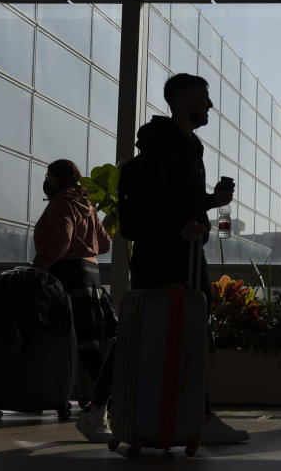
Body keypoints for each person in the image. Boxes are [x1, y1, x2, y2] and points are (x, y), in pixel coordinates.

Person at [120, 73, 248, 444]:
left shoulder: (187, 146)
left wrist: (212, 202)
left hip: (179, 249)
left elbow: (178, 198)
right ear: (183, 97)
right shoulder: (166, 144)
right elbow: (158, 195)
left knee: (160, 325)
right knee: (174, 326)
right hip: (168, 253)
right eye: (204, 97)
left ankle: (195, 412)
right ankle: (198, 414)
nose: (210, 105)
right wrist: (181, 226)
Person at [33, 159, 115, 442]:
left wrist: (38, 266)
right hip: (92, 276)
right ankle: (108, 399)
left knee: (79, 345)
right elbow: (105, 244)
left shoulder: (60, 204)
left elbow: (61, 242)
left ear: (58, 178)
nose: (47, 181)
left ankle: (111, 399)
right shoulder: (86, 204)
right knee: (90, 343)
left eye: (49, 176)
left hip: (68, 277)